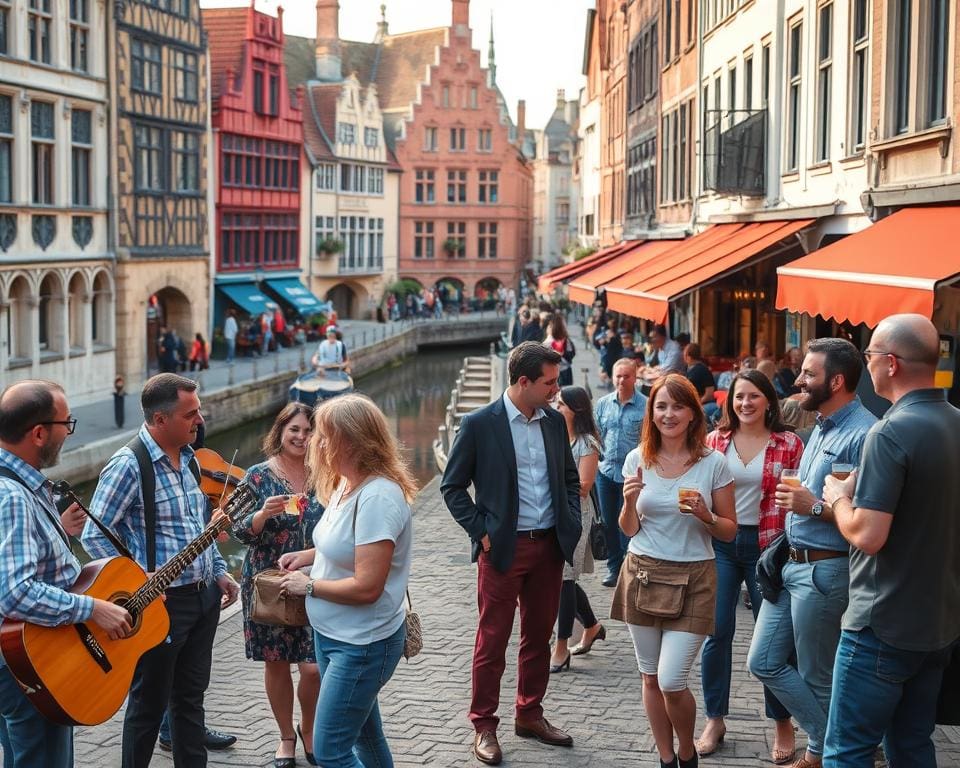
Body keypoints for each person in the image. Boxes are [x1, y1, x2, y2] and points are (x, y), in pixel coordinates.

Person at [821, 314, 960, 767]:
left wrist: (839, 499)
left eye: (870, 356)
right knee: (913, 745)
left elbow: (868, 535)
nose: (869, 365)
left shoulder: (890, 431)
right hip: (937, 625)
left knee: (846, 753)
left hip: (881, 625)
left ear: (892, 364)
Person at [81, 373, 240, 768]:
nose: (199, 420)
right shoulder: (128, 465)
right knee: (148, 706)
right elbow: (92, 535)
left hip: (203, 598)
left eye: (198, 411)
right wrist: (136, 578)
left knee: (190, 699)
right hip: (161, 606)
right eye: (190, 414)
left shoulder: (188, 458)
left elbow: (199, 525)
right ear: (159, 420)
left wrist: (219, 569)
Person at [442, 342, 582, 765]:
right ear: (524, 382)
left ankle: (530, 714)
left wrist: (569, 523)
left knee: (538, 637)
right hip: (502, 549)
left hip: (549, 548)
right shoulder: (480, 424)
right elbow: (451, 487)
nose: (557, 390)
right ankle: (484, 725)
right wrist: (481, 532)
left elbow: (570, 480)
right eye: (550, 382)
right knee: (492, 640)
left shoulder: (555, 422)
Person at [747, 338, 877, 768]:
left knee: (818, 676)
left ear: (836, 381)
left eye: (809, 373)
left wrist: (814, 507)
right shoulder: (819, 424)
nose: (798, 379)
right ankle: (832, 744)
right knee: (763, 661)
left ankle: (828, 752)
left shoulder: (865, 434)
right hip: (791, 566)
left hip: (825, 572)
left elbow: (866, 516)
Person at [276, 394, 415, 768]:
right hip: (334, 635)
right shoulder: (344, 484)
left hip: (362, 644)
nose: (314, 441)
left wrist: (306, 586)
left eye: (323, 434)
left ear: (349, 441)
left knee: (331, 751)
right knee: (367, 738)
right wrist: (307, 558)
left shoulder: (378, 498)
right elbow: (344, 548)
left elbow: (368, 587)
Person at [0, 381, 132, 768]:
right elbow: (15, 592)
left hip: (33, 655)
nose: (68, 431)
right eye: (65, 423)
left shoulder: (23, 486)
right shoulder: (12, 495)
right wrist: (91, 608)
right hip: (27, 661)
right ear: (39, 433)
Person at [611, 374, 737, 768]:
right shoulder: (637, 459)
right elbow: (628, 528)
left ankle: (687, 749)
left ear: (692, 413)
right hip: (643, 572)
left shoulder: (713, 462)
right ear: (652, 412)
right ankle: (668, 758)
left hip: (695, 577)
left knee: (671, 680)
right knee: (650, 677)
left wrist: (706, 514)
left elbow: (730, 531)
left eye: (677, 406)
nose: (668, 414)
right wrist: (629, 504)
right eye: (661, 406)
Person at [697, 370, 802, 762]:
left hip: (769, 547)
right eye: (739, 397)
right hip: (722, 543)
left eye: (754, 396)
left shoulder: (788, 442)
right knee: (717, 632)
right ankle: (714, 719)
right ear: (730, 402)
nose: (745, 404)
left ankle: (781, 722)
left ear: (768, 401)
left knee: (773, 640)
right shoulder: (714, 441)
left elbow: (799, 496)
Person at [232, 403, 323, 768]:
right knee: (276, 662)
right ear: (281, 432)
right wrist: (261, 514)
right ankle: (286, 736)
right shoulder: (257, 476)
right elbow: (238, 530)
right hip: (269, 585)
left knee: (314, 666)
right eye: (295, 430)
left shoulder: (325, 473)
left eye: (308, 431)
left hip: (314, 580)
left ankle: (310, 729)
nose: (301, 437)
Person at [550, 385, 605, 672]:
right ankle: (592, 626)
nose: (556, 408)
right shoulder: (557, 437)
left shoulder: (587, 444)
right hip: (555, 515)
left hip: (576, 517)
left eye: (561, 405)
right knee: (564, 579)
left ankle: (561, 648)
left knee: (565, 579)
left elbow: (584, 487)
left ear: (576, 409)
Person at [594, 358, 647, 587]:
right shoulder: (603, 404)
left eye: (626, 376)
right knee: (608, 522)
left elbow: (648, 439)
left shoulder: (645, 405)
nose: (621, 380)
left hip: (633, 475)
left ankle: (630, 565)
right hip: (606, 471)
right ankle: (614, 567)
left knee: (630, 520)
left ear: (635, 378)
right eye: (618, 375)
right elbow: (595, 434)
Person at [683, 343, 718, 423]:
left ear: (688, 356)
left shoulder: (703, 370)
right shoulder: (687, 369)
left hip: (704, 404)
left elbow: (709, 393)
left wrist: (698, 403)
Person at [545, 314, 575, 387]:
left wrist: (561, 354)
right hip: (565, 372)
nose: (547, 327)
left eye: (549, 326)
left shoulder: (549, 342)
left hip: (556, 373)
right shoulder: (565, 339)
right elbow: (571, 354)